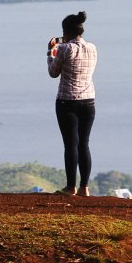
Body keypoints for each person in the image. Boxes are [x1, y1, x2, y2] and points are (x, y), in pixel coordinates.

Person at [47, 10, 97, 196]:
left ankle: (70, 187)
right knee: (84, 144)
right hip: (89, 101)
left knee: (71, 144)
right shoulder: (92, 48)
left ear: (65, 32)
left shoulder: (64, 49)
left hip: (67, 101)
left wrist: (50, 54)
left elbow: (53, 72)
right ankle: (85, 187)